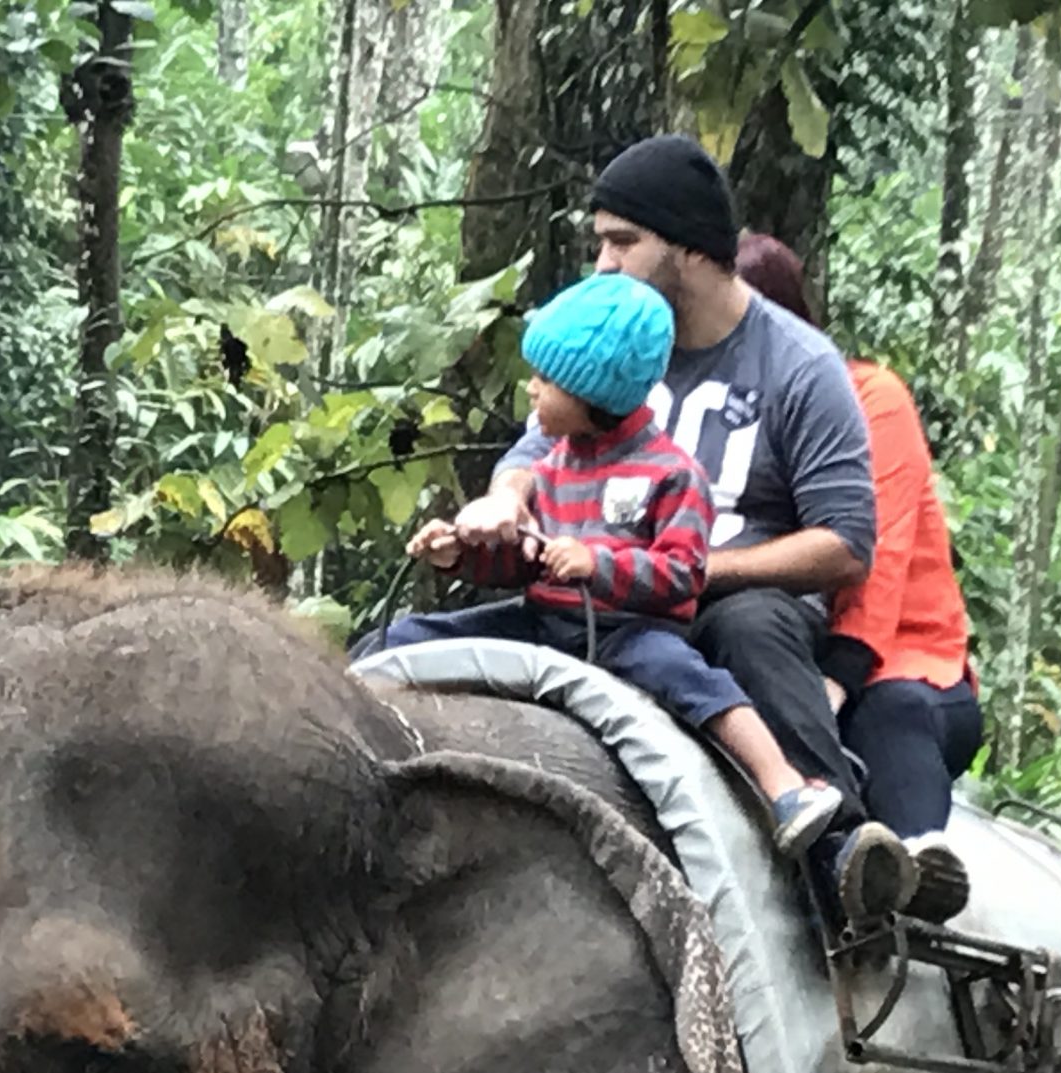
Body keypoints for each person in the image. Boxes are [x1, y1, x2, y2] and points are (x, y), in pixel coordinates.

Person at [457, 134, 916, 924]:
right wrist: (503, 502)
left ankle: (836, 851)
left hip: (724, 599)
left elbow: (846, 545)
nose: (603, 262)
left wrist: (704, 570)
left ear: (694, 253)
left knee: (753, 623)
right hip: (597, 592)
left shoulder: (801, 367)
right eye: (600, 240)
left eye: (623, 241)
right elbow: (531, 454)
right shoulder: (614, 340)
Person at [367, 273, 845, 855]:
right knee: (408, 639)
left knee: (700, 686)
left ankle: (783, 786)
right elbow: (524, 563)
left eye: (547, 379)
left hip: (630, 632)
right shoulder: (552, 467)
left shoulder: (672, 474)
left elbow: (683, 576)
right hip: (544, 621)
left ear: (596, 391)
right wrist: (461, 556)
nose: (532, 392)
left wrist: (597, 564)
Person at [735, 231, 979, 924]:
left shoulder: (868, 397)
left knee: (889, 708)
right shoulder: (713, 407)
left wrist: (835, 681)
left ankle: (907, 871)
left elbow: (878, 556)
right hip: (786, 644)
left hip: (899, 662)